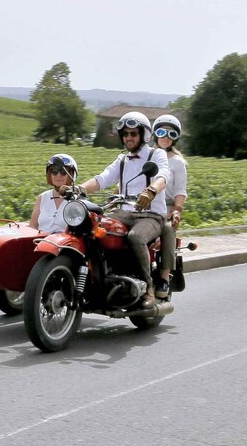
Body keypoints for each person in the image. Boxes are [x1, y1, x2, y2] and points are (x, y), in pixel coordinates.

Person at [74, 111, 170, 307]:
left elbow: (163, 175)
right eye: (125, 134)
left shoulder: (156, 154)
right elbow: (103, 178)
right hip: (123, 212)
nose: (128, 138)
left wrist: (151, 190)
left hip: (150, 215)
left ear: (144, 135)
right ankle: (100, 278)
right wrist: (79, 189)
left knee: (135, 237)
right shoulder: (123, 160)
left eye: (133, 134)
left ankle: (148, 288)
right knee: (94, 228)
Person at [152, 114, 188, 298]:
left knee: (167, 230)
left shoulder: (177, 162)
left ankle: (165, 278)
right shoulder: (148, 155)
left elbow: (180, 190)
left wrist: (176, 211)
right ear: (154, 134)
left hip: (166, 208)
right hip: (144, 205)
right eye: (161, 131)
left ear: (175, 137)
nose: (165, 136)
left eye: (170, 133)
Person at [29, 153, 78, 234]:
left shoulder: (78, 199)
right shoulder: (42, 197)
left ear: (72, 175)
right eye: (54, 172)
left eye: (63, 172)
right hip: (40, 243)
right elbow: (32, 227)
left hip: (65, 245)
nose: (58, 175)